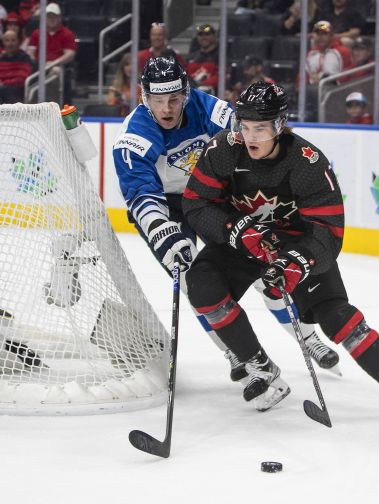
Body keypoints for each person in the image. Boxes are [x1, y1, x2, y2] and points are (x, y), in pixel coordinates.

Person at [181, 80, 379, 420]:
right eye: (244, 126)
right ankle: (259, 367)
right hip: (242, 241)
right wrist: (235, 229)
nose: (251, 136)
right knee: (201, 285)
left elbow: (328, 233)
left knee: (336, 317)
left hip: (296, 245)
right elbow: (196, 203)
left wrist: (296, 263)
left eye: (260, 128)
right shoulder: (223, 150)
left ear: (279, 125)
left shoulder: (307, 162)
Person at [112, 57, 339, 388]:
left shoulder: (207, 107)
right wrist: (162, 232)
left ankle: (308, 338)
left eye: (174, 98)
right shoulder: (134, 135)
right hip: (169, 205)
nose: (167, 108)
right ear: (143, 97)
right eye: (158, 100)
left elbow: (249, 139)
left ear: (186, 93)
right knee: (193, 280)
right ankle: (236, 352)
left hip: (211, 194)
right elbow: (141, 193)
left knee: (263, 259)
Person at [0, 30, 35, 103]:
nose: (10, 44)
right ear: (3, 43)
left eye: (13, 40)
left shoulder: (25, 59)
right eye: (7, 40)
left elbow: (21, 79)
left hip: (17, 91)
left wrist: (4, 83)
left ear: (18, 42)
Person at [304, 20, 352, 85]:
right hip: (312, 91)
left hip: (335, 90)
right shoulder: (311, 53)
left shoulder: (343, 52)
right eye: (318, 34)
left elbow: (349, 76)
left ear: (331, 35)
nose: (320, 37)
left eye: (324, 34)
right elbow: (303, 76)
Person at [185, 24, 220, 94]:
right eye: (200, 34)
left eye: (207, 34)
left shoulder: (220, 57)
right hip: (191, 93)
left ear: (214, 36)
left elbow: (220, 78)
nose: (204, 37)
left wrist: (201, 85)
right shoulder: (191, 57)